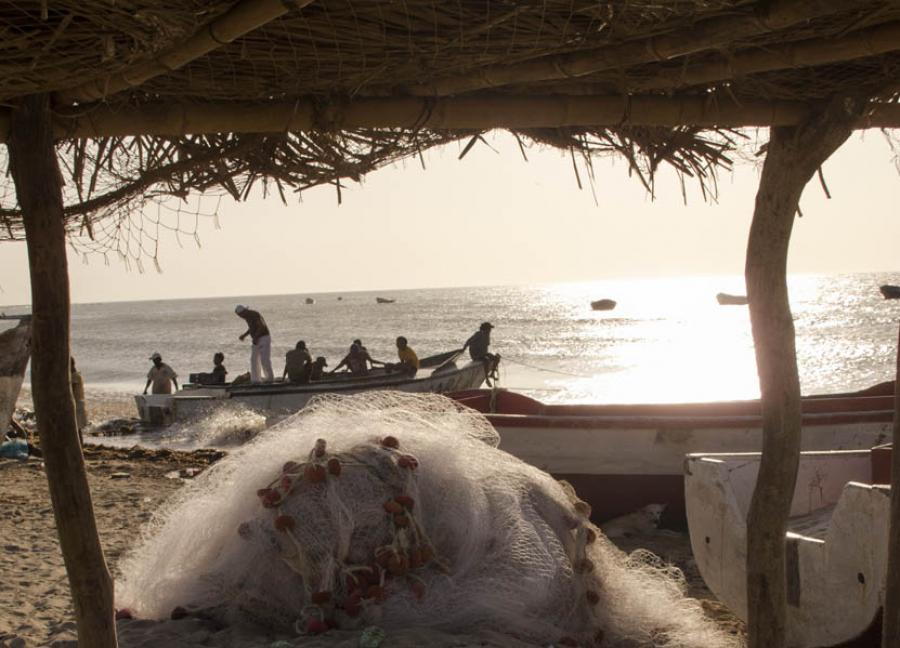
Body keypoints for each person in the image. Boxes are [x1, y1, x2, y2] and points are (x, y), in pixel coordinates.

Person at [236, 304, 274, 383]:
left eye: (240, 315)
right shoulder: (247, 317)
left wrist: (256, 337)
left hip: (264, 337)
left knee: (264, 359)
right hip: (256, 339)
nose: (240, 317)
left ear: (244, 312)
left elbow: (261, 326)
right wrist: (244, 335)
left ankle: (269, 378)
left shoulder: (254, 314)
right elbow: (252, 328)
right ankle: (256, 379)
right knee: (254, 359)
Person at [462, 322, 500, 387]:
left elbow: (486, 346)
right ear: (486, 329)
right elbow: (469, 341)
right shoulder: (479, 334)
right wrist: (464, 348)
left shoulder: (487, 335)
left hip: (483, 353)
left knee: (497, 357)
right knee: (486, 360)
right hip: (476, 354)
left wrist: (488, 354)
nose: (490, 330)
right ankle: (487, 379)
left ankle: (492, 374)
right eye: (489, 329)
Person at [70, 357, 87, 444]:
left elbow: (71, 391)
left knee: (76, 427)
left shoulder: (74, 376)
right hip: (79, 402)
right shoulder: (77, 375)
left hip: (77, 404)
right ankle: (79, 445)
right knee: (77, 427)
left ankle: (79, 445)